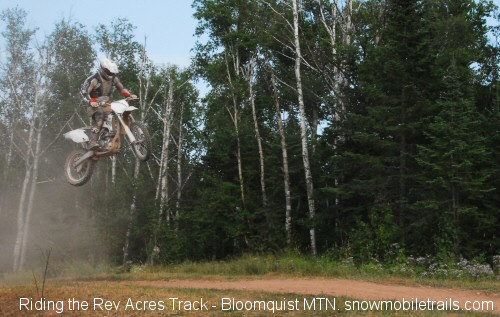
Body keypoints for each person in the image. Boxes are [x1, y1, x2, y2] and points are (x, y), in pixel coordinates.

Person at [80, 58, 136, 149]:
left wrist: (129, 94)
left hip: (107, 104)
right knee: (100, 117)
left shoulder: (114, 78)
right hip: (94, 105)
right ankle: (92, 142)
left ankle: (111, 135)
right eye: (109, 72)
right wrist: (91, 101)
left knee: (120, 112)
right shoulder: (93, 79)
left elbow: (121, 88)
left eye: (112, 73)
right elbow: (84, 92)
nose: (111, 74)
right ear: (103, 69)